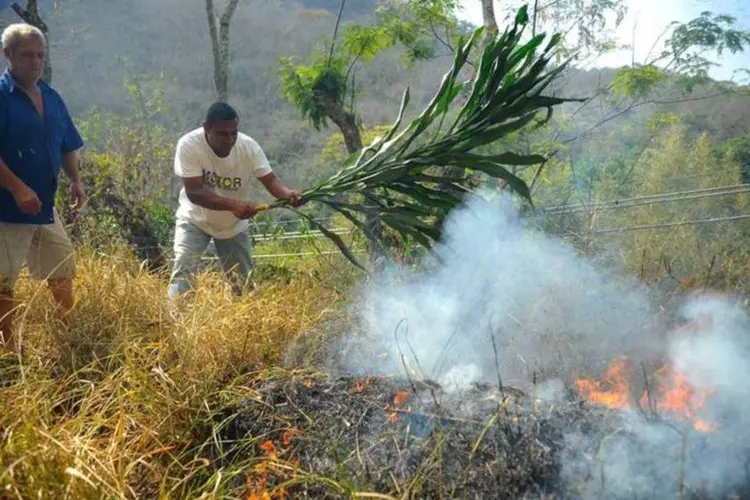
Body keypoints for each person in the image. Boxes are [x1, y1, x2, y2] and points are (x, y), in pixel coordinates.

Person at [0, 23, 86, 354]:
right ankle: (9, 349)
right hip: (8, 208)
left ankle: (70, 334)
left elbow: (66, 143)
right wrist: (18, 188)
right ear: (8, 55)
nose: (35, 62)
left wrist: (76, 180)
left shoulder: (51, 96)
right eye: (27, 56)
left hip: (45, 205)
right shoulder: (2, 97)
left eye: (40, 55)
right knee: (3, 281)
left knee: (61, 267)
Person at [167, 101, 304, 301]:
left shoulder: (249, 147)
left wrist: (288, 195)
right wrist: (233, 205)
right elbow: (194, 192)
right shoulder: (189, 145)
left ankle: (246, 328)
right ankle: (176, 324)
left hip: (233, 227)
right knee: (183, 270)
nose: (229, 139)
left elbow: (271, 181)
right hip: (194, 219)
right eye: (222, 134)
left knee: (244, 285)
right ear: (207, 128)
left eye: (234, 133)